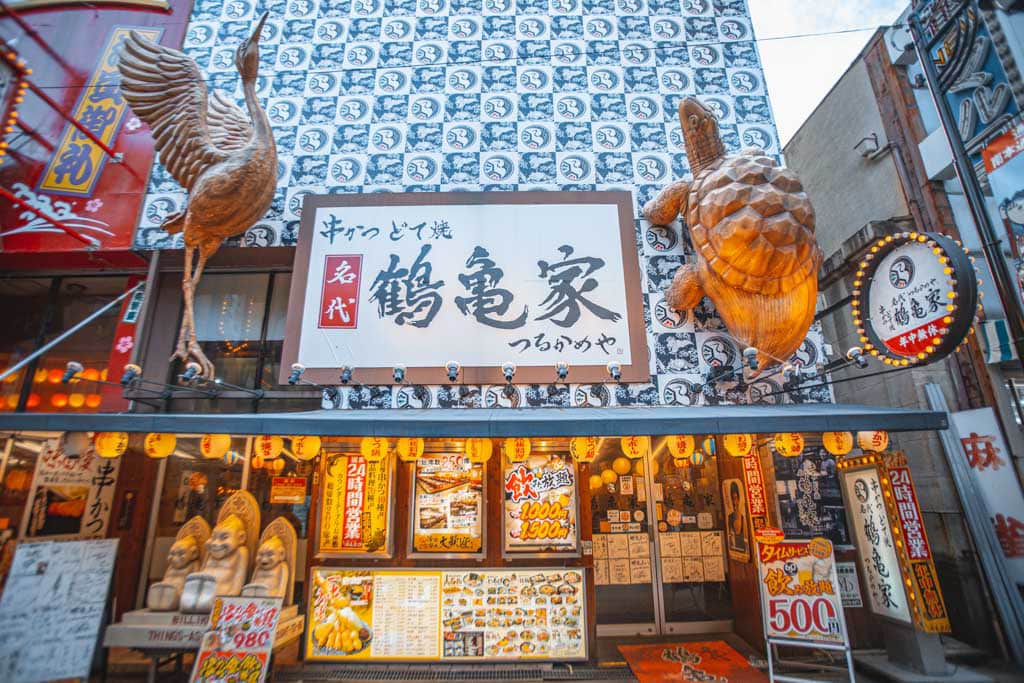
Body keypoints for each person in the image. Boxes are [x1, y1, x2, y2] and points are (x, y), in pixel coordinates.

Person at [727, 481, 748, 554]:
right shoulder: (729, 517)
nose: (734, 502)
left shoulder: (743, 518)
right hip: (734, 552)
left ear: (739, 499)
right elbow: (729, 538)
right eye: (732, 499)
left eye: (736, 498)